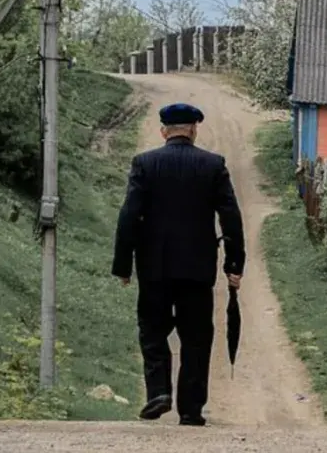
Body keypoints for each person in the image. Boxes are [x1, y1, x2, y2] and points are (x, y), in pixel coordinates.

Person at [111, 102, 245, 427]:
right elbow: (230, 216)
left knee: (153, 331)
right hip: (197, 269)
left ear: (164, 131)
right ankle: (191, 409)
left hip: (154, 267)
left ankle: (158, 392)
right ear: (194, 130)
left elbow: (129, 214)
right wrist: (234, 264)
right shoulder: (213, 165)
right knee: (197, 337)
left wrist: (123, 265)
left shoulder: (145, 164)